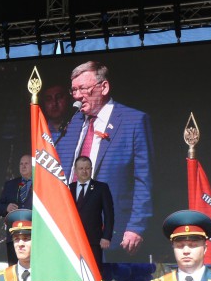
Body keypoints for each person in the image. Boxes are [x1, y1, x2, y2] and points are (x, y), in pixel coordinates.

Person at [55, 61, 153, 256]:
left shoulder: (133, 121)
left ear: (104, 87)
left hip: (113, 230)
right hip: (69, 229)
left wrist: (136, 226)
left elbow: (144, 179)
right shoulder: (73, 122)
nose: (77, 96)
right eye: (73, 90)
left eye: (83, 88)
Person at [68, 155, 114, 272]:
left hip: (94, 240)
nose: (84, 171)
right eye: (81, 168)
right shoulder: (68, 188)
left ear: (91, 169)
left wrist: (106, 237)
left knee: (94, 272)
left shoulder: (101, 188)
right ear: (75, 170)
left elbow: (109, 214)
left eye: (87, 168)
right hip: (72, 239)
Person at [0, 154, 33, 265]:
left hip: (34, 235)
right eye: (21, 164)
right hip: (14, 236)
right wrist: (6, 207)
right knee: (14, 269)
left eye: (26, 163)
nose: (23, 166)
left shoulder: (41, 184)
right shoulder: (11, 185)